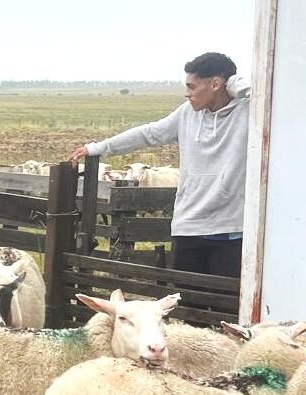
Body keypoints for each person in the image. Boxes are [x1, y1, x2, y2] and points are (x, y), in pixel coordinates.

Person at [69, 52, 249, 279]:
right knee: (187, 297)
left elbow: (284, 105)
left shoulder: (250, 112)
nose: (187, 93)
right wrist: (98, 148)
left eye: (192, 87)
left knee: (226, 299)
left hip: (230, 229)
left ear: (216, 84)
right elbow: (150, 133)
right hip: (188, 226)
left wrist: (245, 88)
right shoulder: (187, 113)